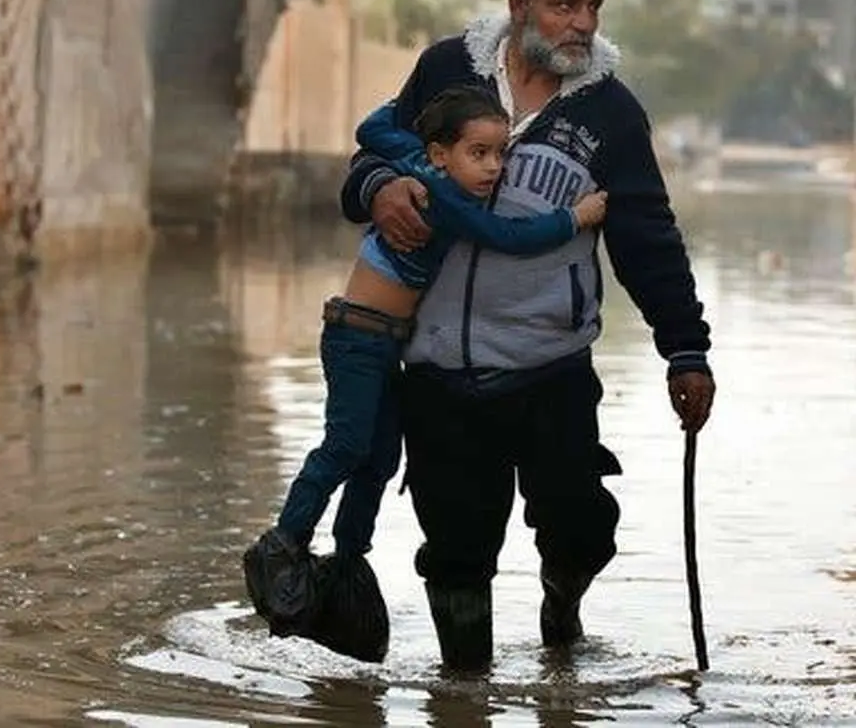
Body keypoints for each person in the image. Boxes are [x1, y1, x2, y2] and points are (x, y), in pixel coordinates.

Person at [338, 0, 716, 674]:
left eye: (592, 7)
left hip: (551, 369)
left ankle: (561, 606)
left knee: (581, 529)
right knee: (455, 551)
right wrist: (378, 189)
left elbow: (647, 238)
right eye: (563, 5)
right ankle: (462, 694)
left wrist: (686, 349)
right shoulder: (446, 70)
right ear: (518, 6)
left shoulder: (611, 113)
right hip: (438, 370)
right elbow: (372, 160)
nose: (583, 23)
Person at [243, 85, 608, 658]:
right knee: (347, 445)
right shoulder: (443, 195)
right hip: (357, 337)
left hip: (390, 343)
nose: (494, 168)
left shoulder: (418, 162)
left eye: (500, 154)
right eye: (479, 154)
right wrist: (577, 216)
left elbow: (372, 127)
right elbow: (510, 237)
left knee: (380, 460)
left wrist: (403, 111)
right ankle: (283, 542)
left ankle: (348, 559)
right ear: (441, 153)